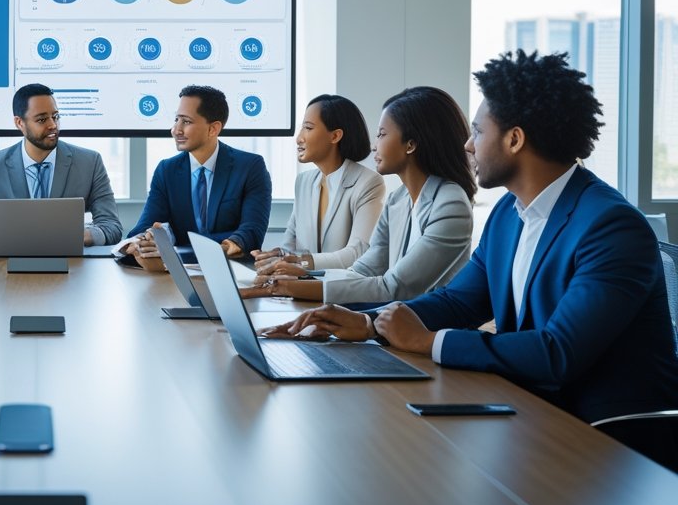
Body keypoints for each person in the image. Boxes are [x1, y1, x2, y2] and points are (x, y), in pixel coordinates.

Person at [267, 52, 678, 465]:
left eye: (478, 131)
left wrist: (428, 341)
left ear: (514, 140)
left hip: (608, 441)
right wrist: (371, 322)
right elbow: (459, 300)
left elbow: (559, 352)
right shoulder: (508, 214)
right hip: (531, 413)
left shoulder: (609, 225)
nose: (467, 144)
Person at [242, 86, 474, 304]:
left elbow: (396, 287)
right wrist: (301, 276)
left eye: (382, 135)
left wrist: (289, 286)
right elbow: (363, 270)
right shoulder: (398, 200)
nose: (375, 146)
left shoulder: (449, 202)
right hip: (390, 324)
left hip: (425, 336)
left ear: (410, 144)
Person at [125, 85, 271, 262]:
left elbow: (251, 233)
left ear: (213, 129)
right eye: (176, 120)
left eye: (186, 121)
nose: (176, 130)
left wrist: (177, 246)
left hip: (233, 270)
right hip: (176, 275)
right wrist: (146, 239)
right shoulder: (166, 170)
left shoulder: (249, 167)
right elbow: (144, 226)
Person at [0, 83, 123, 247]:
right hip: (10, 264)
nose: (53, 125)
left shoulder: (90, 162)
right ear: (19, 123)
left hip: (72, 266)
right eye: (42, 119)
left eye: (55, 116)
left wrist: (79, 235)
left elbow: (112, 227)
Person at [252, 94, 385, 271]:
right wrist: (275, 257)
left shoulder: (368, 182)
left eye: (308, 128)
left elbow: (357, 253)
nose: (299, 138)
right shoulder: (304, 182)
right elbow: (290, 245)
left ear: (335, 136)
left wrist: (300, 262)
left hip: (342, 292)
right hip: (302, 287)